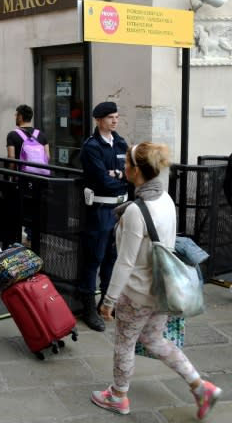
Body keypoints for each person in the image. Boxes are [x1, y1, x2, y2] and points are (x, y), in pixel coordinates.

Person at [91, 142, 222, 419]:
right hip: (161, 290)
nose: (123, 167)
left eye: (127, 163)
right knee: (153, 339)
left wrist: (109, 300)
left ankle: (118, 396)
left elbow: (125, 262)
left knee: (124, 345)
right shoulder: (165, 199)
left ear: (136, 170)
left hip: (136, 293)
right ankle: (200, 387)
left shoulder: (136, 211)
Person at [78, 101, 129, 332]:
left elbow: (130, 174)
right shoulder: (91, 147)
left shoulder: (120, 142)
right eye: (110, 117)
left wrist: (118, 174)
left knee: (112, 259)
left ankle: (106, 304)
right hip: (99, 211)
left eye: (116, 117)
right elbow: (101, 180)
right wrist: (119, 178)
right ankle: (88, 307)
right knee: (93, 259)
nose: (115, 121)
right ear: (99, 120)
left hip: (120, 210)